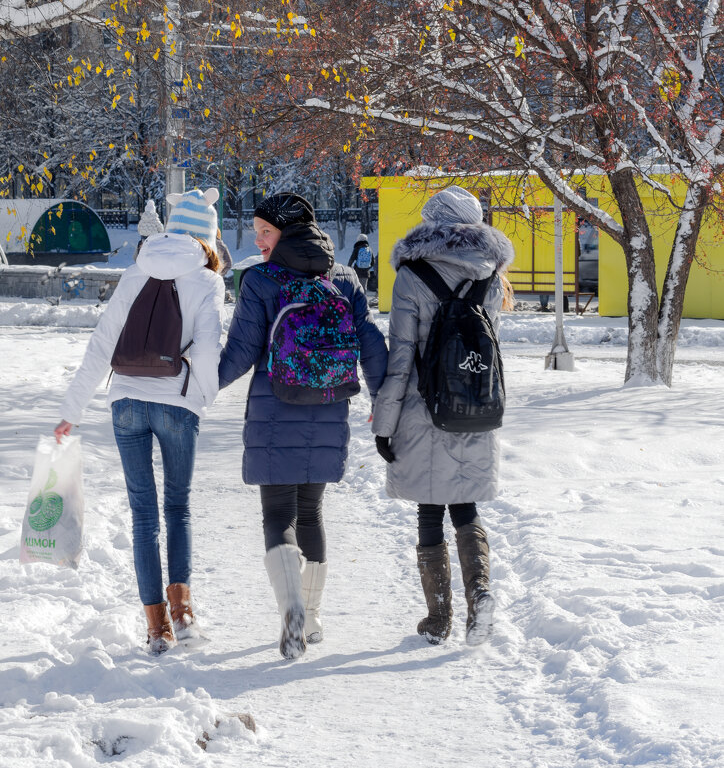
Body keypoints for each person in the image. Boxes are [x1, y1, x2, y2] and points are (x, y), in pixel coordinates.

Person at [55, 188, 225, 654]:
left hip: (126, 401)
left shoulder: (136, 270)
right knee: (178, 508)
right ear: (207, 237)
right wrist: (202, 397)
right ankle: (183, 614)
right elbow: (208, 350)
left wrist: (71, 411)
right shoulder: (207, 281)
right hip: (177, 403)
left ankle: (156, 629)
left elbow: (102, 342)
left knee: (143, 515)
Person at [218, 193, 388, 659]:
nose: (258, 239)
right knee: (310, 513)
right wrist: (382, 399)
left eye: (265, 231)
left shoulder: (260, 281)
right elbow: (372, 347)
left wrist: (195, 390)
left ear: (288, 231)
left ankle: (290, 607)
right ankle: (310, 618)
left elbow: (239, 353)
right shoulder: (345, 279)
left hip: (275, 409)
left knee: (278, 515)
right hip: (330, 408)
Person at [371, 185, 514, 647]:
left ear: (432, 226)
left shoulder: (412, 276)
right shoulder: (492, 276)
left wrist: (384, 424)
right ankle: (480, 593)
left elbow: (401, 358)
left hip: (421, 409)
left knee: (430, 510)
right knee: (465, 506)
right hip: (474, 404)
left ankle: (438, 619)